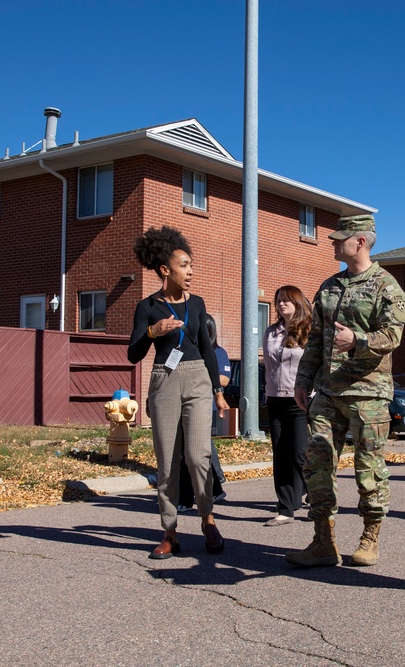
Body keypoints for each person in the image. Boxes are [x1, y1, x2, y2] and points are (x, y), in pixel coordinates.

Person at [285, 214, 405, 568]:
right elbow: (316, 340)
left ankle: (370, 538)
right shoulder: (329, 287)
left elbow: (392, 337)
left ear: (361, 242)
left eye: (341, 238)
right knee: (318, 466)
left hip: (368, 394)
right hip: (326, 393)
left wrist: (357, 340)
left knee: (368, 469)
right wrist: (304, 380)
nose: (334, 243)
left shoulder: (387, 287)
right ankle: (323, 542)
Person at [127, 225, 229, 559]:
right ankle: (170, 532)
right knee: (168, 465)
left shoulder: (197, 304)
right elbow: (133, 355)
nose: (190, 271)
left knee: (198, 456)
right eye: (184, 265)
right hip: (164, 381)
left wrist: (217, 391)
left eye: (191, 265)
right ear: (165, 270)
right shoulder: (148, 307)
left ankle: (208, 520)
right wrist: (151, 331)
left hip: (198, 379)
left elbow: (206, 347)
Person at [263, 285, 313, 526]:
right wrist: (267, 393)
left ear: (298, 303)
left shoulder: (309, 330)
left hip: (301, 400)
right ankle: (285, 508)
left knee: (299, 454)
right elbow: (269, 367)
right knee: (280, 455)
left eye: (286, 301)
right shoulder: (271, 332)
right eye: (278, 301)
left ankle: (315, 493)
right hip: (275, 399)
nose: (281, 304)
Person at [177, 314, 230, 511]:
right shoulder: (184, 351)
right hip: (182, 405)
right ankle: (214, 490)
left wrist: (198, 378)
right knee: (191, 451)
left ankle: (186, 498)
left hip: (205, 407)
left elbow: (223, 379)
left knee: (195, 451)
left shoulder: (217, 352)